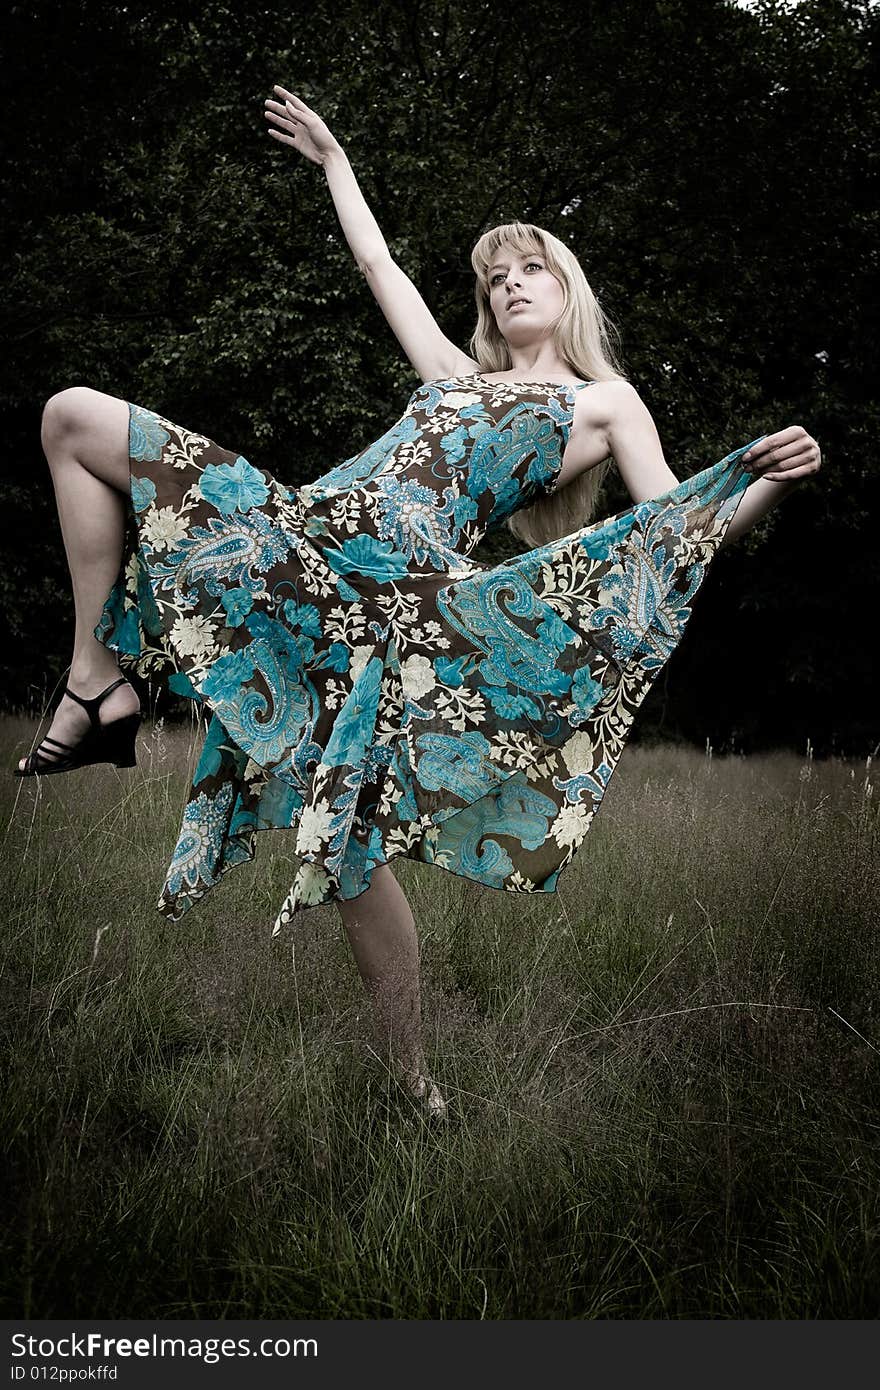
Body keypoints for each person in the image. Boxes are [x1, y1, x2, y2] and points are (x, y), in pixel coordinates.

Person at [14, 86, 822, 1116]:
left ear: (566, 289)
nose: (509, 285)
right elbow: (377, 267)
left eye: (529, 269)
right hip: (303, 539)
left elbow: (672, 527)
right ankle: (97, 680)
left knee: (347, 845)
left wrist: (759, 480)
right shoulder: (447, 370)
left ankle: (409, 1079)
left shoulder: (598, 401)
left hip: (388, 599)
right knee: (72, 418)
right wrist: (335, 161)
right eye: (495, 278)